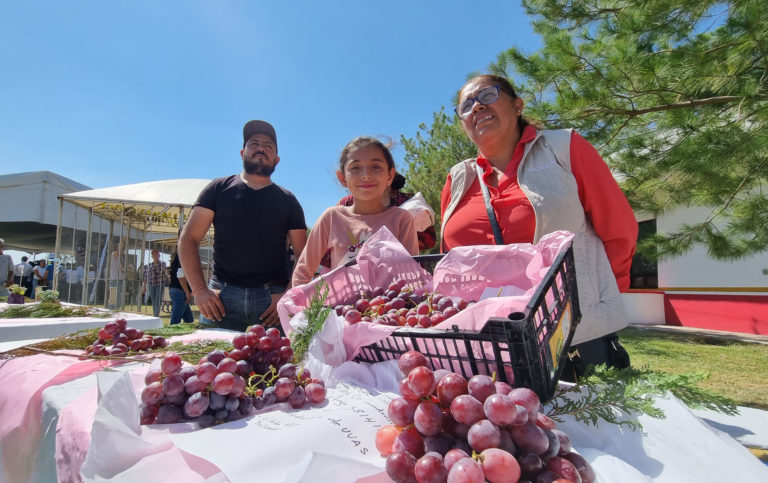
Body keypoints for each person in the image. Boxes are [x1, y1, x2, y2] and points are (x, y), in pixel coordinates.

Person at [441, 75, 638, 379]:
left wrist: (596, 297)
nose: (477, 106)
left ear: (517, 105)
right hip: (484, 347)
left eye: (487, 96)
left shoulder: (564, 147)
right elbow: (450, 262)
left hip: (572, 335)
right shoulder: (457, 179)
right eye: (466, 105)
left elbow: (618, 228)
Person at [179, 120, 308, 332]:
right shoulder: (218, 189)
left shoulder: (288, 200)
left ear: (276, 159)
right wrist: (200, 289)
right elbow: (188, 239)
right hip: (220, 299)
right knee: (214, 363)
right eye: (254, 143)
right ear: (242, 153)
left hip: (273, 302)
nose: (261, 148)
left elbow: (304, 254)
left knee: (277, 363)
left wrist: (288, 294)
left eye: (268, 145)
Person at [291, 136, 419, 287]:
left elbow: (412, 276)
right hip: (340, 309)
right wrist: (300, 308)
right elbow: (303, 272)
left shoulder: (401, 219)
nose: (366, 175)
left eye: (376, 167)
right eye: (355, 168)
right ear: (342, 178)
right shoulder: (331, 218)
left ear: (390, 176)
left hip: (389, 308)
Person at [168, 249, 194, 325]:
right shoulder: (182, 255)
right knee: (175, 321)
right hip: (180, 291)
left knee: (189, 319)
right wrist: (187, 292)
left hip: (176, 290)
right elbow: (180, 275)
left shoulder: (177, 257)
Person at [142, 249, 168, 317]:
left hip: (160, 284)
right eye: (153, 254)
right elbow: (145, 276)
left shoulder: (163, 263)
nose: (154, 255)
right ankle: (155, 313)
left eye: (156, 254)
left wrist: (156, 265)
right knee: (153, 299)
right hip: (151, 284)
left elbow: (162, 272)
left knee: (157, 299)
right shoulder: (148, 265)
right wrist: (144, 287)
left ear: (159, 255)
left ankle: (156, 314)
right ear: (152, 256)